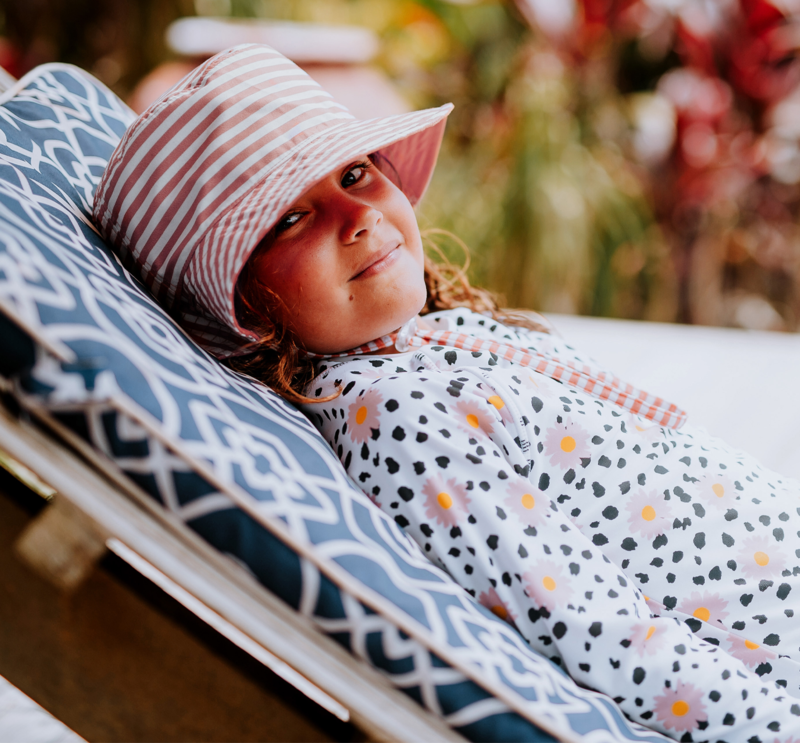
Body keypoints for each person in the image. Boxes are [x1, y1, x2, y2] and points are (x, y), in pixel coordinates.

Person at [95, 43, 800, 742]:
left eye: (355, 172)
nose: (358, 215)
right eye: (290, 218)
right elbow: (602, 633)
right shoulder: (397, 416)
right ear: (239, 306)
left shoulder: (420, 341)